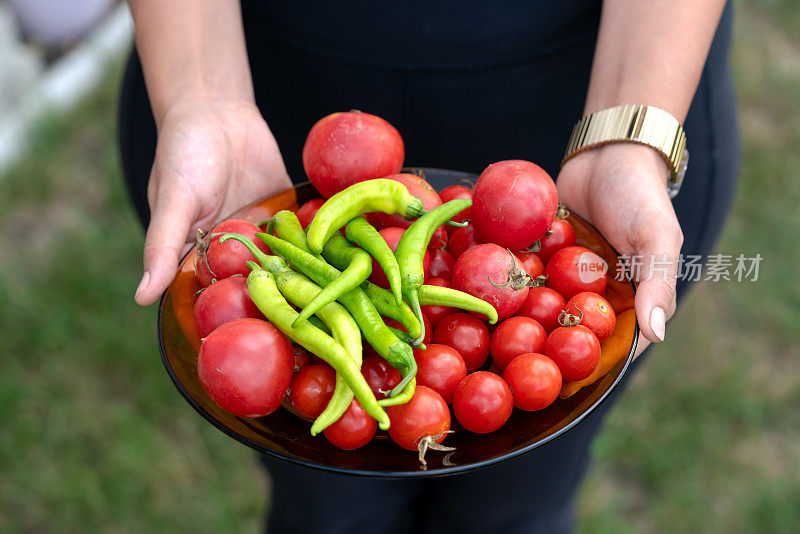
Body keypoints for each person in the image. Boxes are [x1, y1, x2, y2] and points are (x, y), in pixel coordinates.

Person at [119, 1, 739, 532]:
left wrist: (630, 136)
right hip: (265, 97)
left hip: (605, 84)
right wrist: (202, 94)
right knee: (328, 507)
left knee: (519, 499)